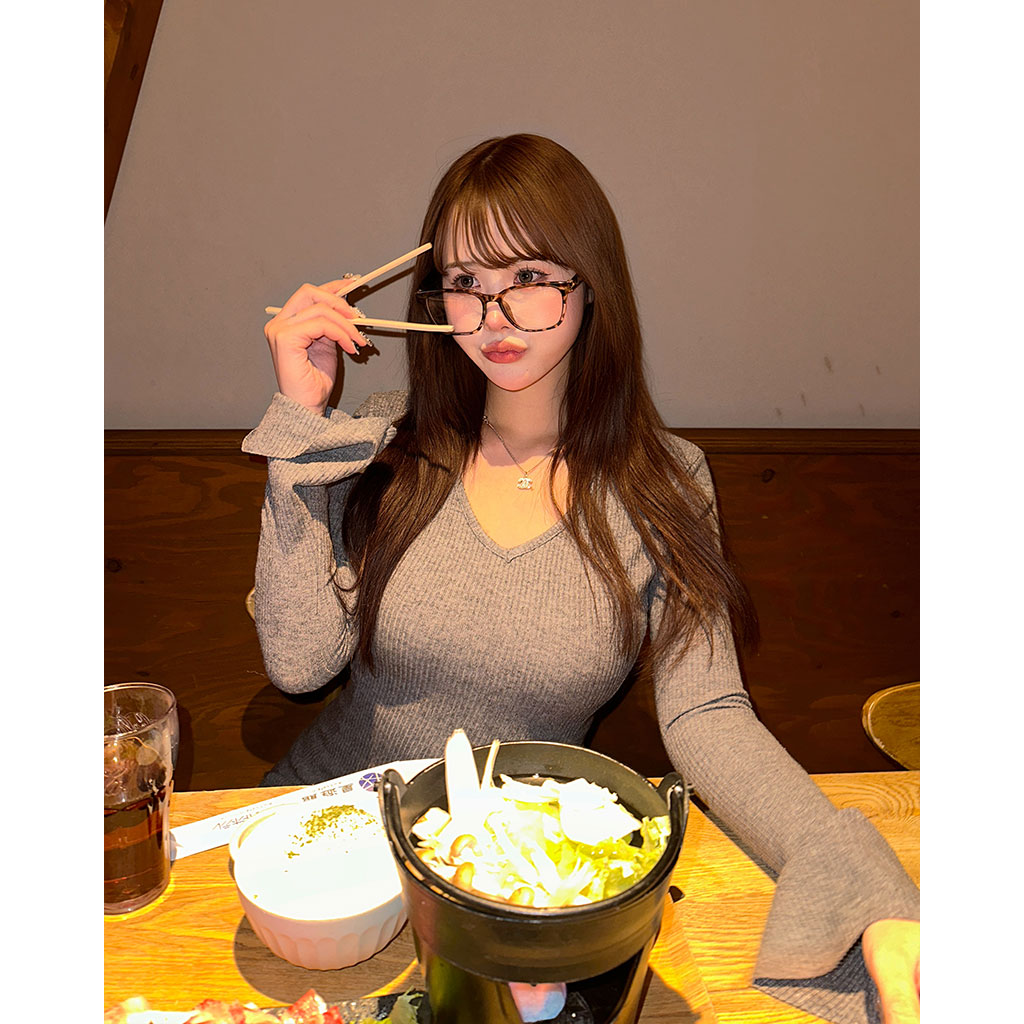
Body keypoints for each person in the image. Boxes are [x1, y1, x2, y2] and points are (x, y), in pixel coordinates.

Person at [243, 134, 919, 1023]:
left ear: (589, 281)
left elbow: (708, 713)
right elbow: (297, 664)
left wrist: (871, 895)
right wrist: (300, 423)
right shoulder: (385, 438)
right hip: (321, 860)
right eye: (465, 281)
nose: (495, 316)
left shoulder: (665, 483)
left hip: (504, 888)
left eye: (529, 277)